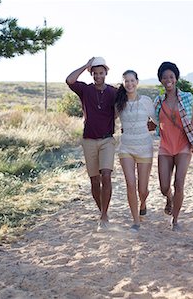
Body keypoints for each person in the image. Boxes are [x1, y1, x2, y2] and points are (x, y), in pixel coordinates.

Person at [65, 57, 117, 232]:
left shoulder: (113, 92)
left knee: (106, 176)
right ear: (91, 74)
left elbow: (126, 104)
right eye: (94, 73)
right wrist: (86, 65)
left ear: (106, 73)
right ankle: (102, 211)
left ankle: (104, 215)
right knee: (94, 181)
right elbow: (69, 80)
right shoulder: (85, 90)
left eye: (101, 73)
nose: (98, 76)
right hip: (88, 140)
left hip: (107, 140)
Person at [153, 61, 193, 231]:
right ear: (161, 80)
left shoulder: (188, 97)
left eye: (171, 77)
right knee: (164, 187)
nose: (168, 80)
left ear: (176, 78)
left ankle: (175, 220)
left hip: (183, 146)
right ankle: (169, 198)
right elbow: (154, 122)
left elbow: (190, 121)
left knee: (179, 183)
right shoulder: (158, 101)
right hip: (165, 147)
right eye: (165, 77)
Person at [115, 70, 157, 232]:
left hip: (145, 149)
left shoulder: (146, 101)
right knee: (130, 184)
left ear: (137, 82)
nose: (129, 84)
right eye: (126, 81)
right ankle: (135, 221)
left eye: (132, 80)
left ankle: (143, 203)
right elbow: (108, 119)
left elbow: (158, 120)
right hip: (126, 148)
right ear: (123, 83)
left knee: (142, 189)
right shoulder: (119, 103)